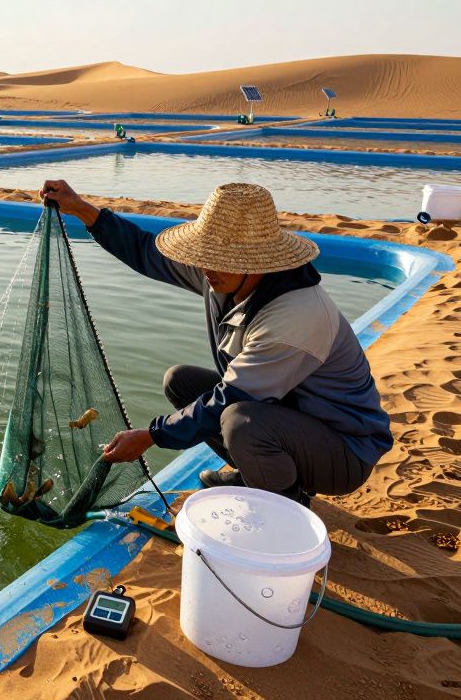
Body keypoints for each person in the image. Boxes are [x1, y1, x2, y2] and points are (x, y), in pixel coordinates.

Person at [39, 180, 391, 506]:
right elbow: (147, 253)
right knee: (181, 382)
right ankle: (258, 474)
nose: (206, 268)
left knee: (242, 421)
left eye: (219, 260)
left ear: (258, 263)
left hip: (344, 450)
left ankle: (286, 507)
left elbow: (236, 396)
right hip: (292, 419)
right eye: (204, 256)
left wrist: (151, 435)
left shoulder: (296, 316)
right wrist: (82, 208)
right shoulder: (222, 275)